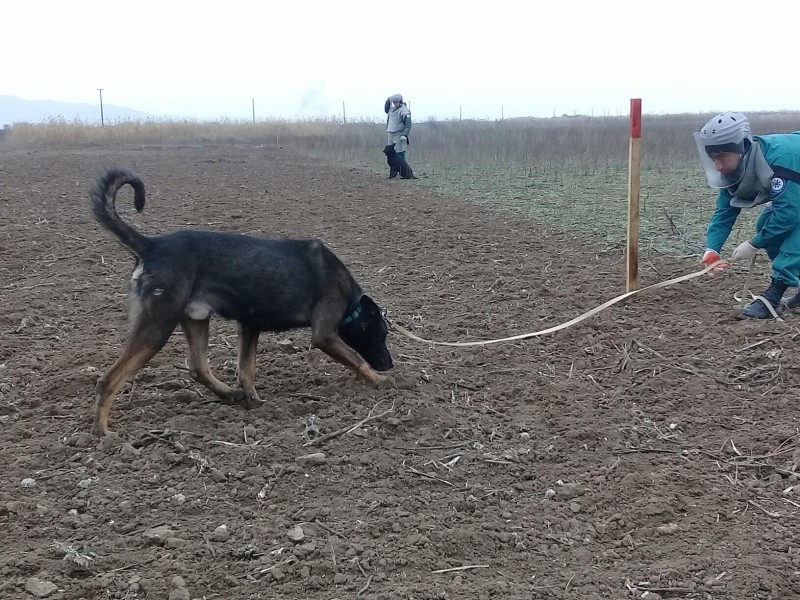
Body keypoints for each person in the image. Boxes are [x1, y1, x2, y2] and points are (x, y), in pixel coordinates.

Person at [696, 112, 800, 319]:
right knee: (765, 224)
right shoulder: (733, 171)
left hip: (793, 192)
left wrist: (754, 243)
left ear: (742, 148)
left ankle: (773, 297)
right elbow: (724, 211)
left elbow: (789, 214)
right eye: (713, 159)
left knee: (794, 233)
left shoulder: (779, 160)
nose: (718, 166)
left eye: (722, 157)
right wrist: (712, 249)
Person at [384, 93, 412, 161]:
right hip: (390, 133)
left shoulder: (404, 111)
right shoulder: (391, 110)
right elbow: (386, 109)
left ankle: (402, 166)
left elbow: (408, 124)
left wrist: (404, 134)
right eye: (394, 102)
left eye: (396, 102)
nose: (395, 104)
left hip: (399, 134)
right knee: (391, 152)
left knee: (400, 152)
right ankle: (393, 167)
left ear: (400, 102)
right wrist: (388, 100)